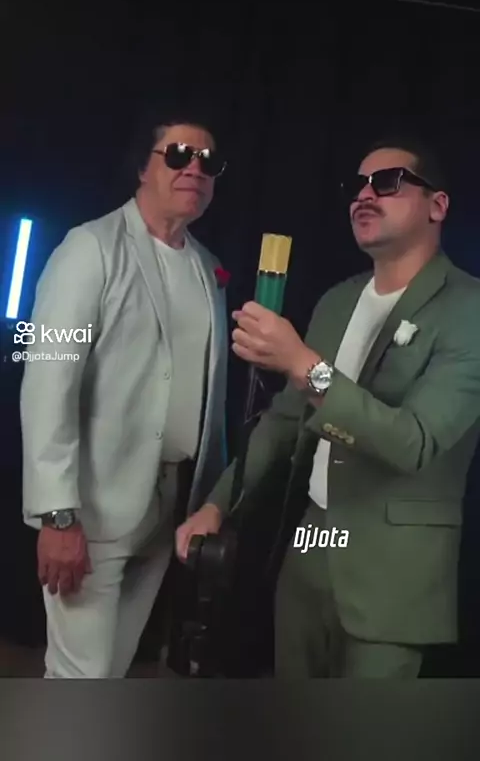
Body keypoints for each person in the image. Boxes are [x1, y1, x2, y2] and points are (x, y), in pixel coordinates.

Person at [176, 135, 480, 678]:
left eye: (387, 182)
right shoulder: (338, 301)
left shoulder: (469, 309)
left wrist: (304, 365)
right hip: (310, 550)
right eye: (357, 186)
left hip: (394, 576)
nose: (365, 195)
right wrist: (217, 505)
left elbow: (414, 443)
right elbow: (285, 422)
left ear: (438, 205)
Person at [20, 116, 229, 678]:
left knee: (110, 674)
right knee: (79, 678)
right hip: (90, 509)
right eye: (178, 154)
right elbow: (47, 383)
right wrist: (57, 514)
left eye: (208, 162)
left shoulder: (207, 268)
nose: (194, 169)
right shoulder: (87, 249)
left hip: (168, 506)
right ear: (143, 166)